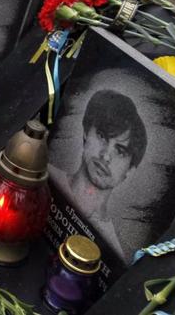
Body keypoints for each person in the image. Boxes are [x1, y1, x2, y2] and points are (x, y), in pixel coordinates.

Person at [57, 90, 147, 259]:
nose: (105, 156)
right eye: (102, 136)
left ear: (130, 170)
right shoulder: (45, 175)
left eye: (120, 151)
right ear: (86, 131)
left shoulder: (111, 250)